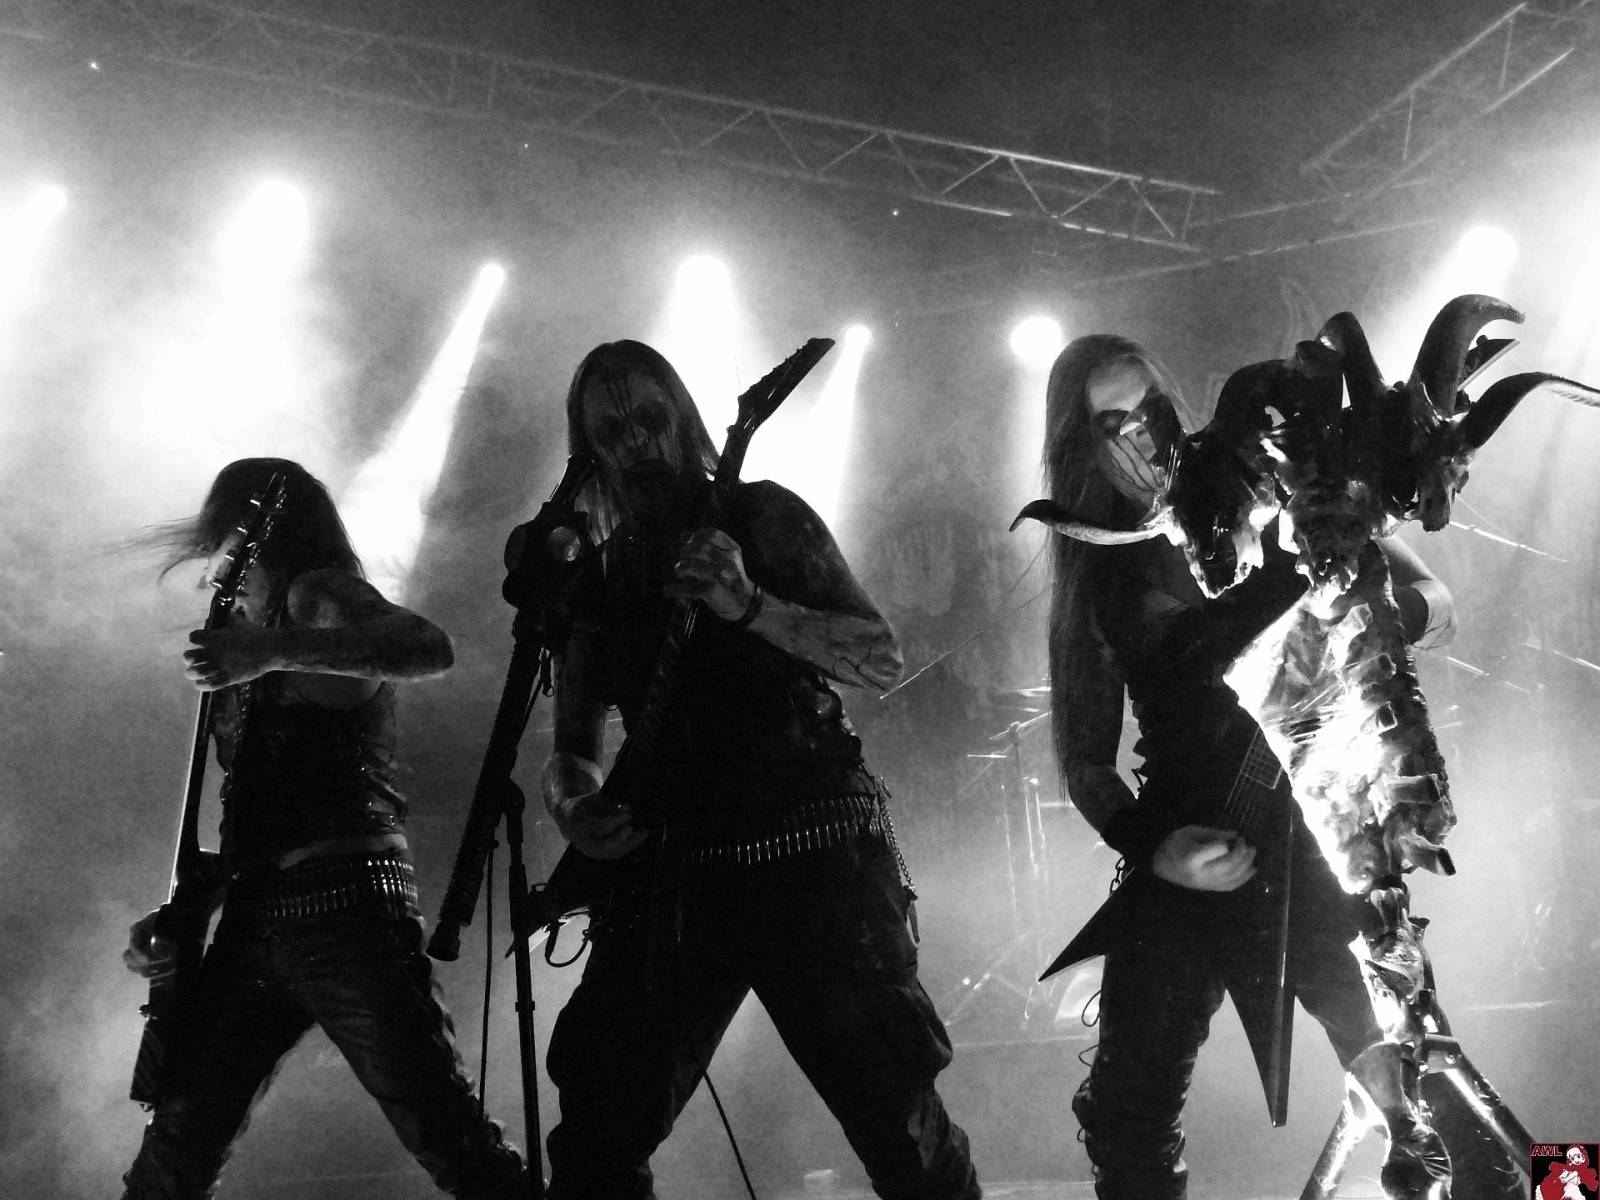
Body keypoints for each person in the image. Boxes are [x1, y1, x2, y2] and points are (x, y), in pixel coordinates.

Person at [1038, 336, 1522, 1200]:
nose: (1143, 435)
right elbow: (1084, 762)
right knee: (1126, 1119)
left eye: (1150, 407)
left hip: (1314, 839)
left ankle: (1568, 1189)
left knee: (1435, 1097)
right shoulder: (1101, 571)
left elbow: (1438, 604)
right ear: (1081, 445)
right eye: (1113, 423)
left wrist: (1352, 622)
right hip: (1190, 848)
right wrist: (1156, 848)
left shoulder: (1267, 484)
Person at [534, 339, 981, 1200]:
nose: (637, 442)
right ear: (589, 451)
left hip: (812, 857)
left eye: (651, 418)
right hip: (674, 873)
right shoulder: (598, 574)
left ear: (684, 420)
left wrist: (749, 605)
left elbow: (880, 658)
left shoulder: (764, 516)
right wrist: (573, 805)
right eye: (612, 430)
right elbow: (572, 749)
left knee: (898, 1125)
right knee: (596, 1132)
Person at [120, 458, 527, 1200]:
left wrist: (270, 651)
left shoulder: (316, 594)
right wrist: (188, 909)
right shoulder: (248, 637)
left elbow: (427, 646)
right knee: (171, 1159)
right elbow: (260, 810)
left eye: (225, 543)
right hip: (254, 919)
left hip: (346, 908)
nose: (218, 570)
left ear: (255, 535)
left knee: (449, 1140)